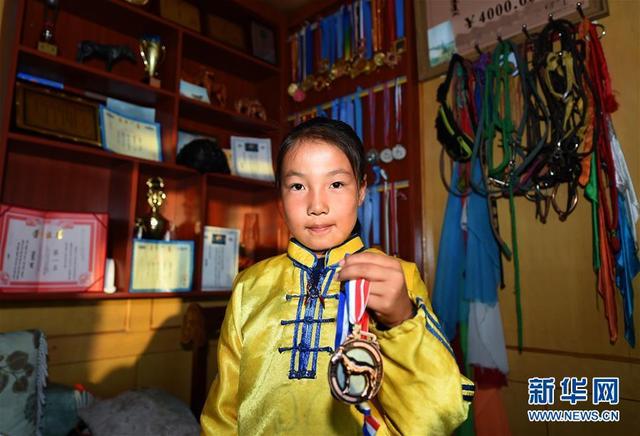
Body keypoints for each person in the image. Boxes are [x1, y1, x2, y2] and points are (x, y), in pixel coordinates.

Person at [201, 117, 474, 435]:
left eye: (336, 184)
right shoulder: (250, 285)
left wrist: (400, 320)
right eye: (298, 186)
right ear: (280, 197)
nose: (316, 205)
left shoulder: (398, 280)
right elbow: (222, 413)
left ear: (361, 191)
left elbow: (437, 415)